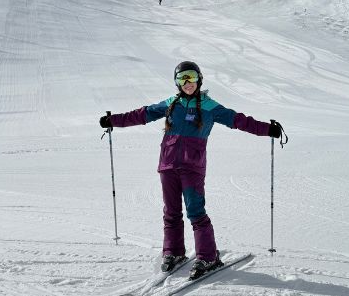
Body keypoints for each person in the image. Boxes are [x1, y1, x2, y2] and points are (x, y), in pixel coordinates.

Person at [99, 60, 284, 280]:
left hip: (192, 167)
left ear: (199, 79)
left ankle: (208, 256)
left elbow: (238, 120)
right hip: (167, 165)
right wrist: (112, 120)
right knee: (171, 212)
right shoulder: (171, 104)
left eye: (192, 77)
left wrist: (267, 129)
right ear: (177, 82)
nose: (188, 83)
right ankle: (174, 252)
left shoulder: (210, 107)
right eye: (182, 78)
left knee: (195, 212)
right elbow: (141, 115)